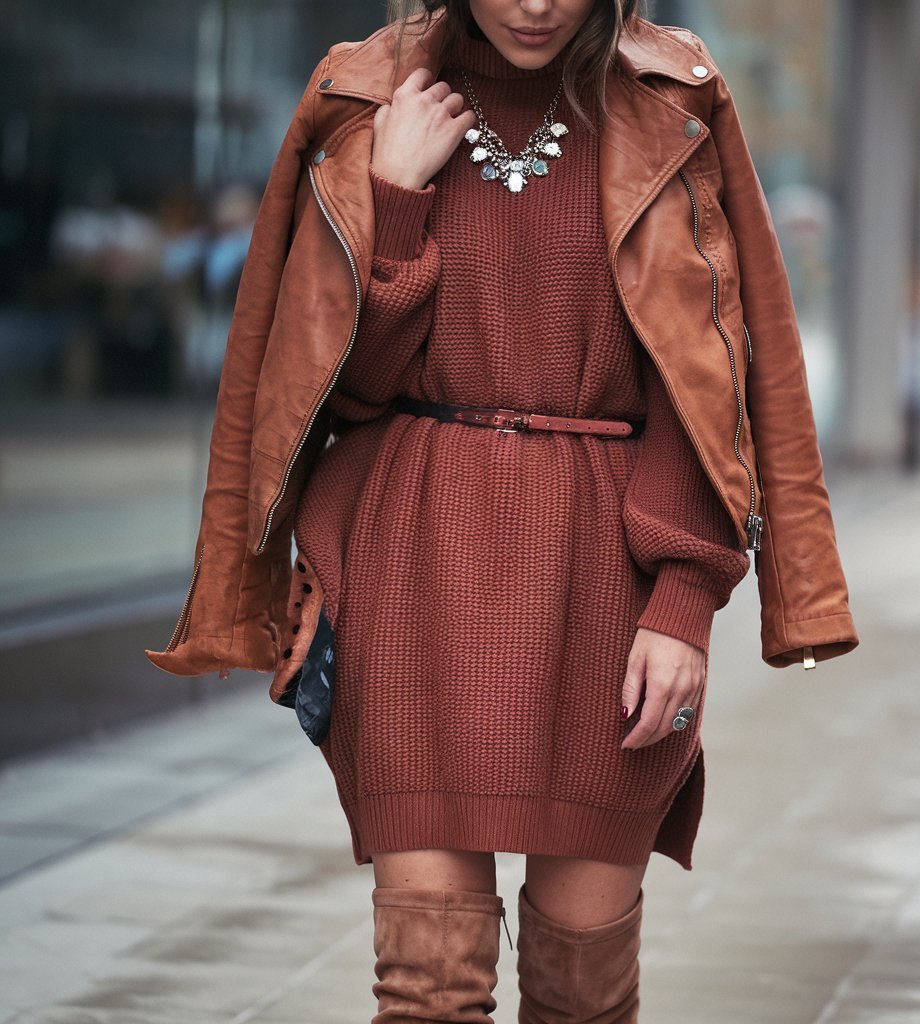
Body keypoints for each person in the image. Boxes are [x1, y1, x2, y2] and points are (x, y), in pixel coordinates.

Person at [147, 0, 858, 1020]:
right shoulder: (359, 95)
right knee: (428, 990)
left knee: (581, 992)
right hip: (413, 569)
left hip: (610, 586)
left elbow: (717, 374)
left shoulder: (676, 95)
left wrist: (686, 598)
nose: (533, 4)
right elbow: (325, 388)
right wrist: (392, 197)